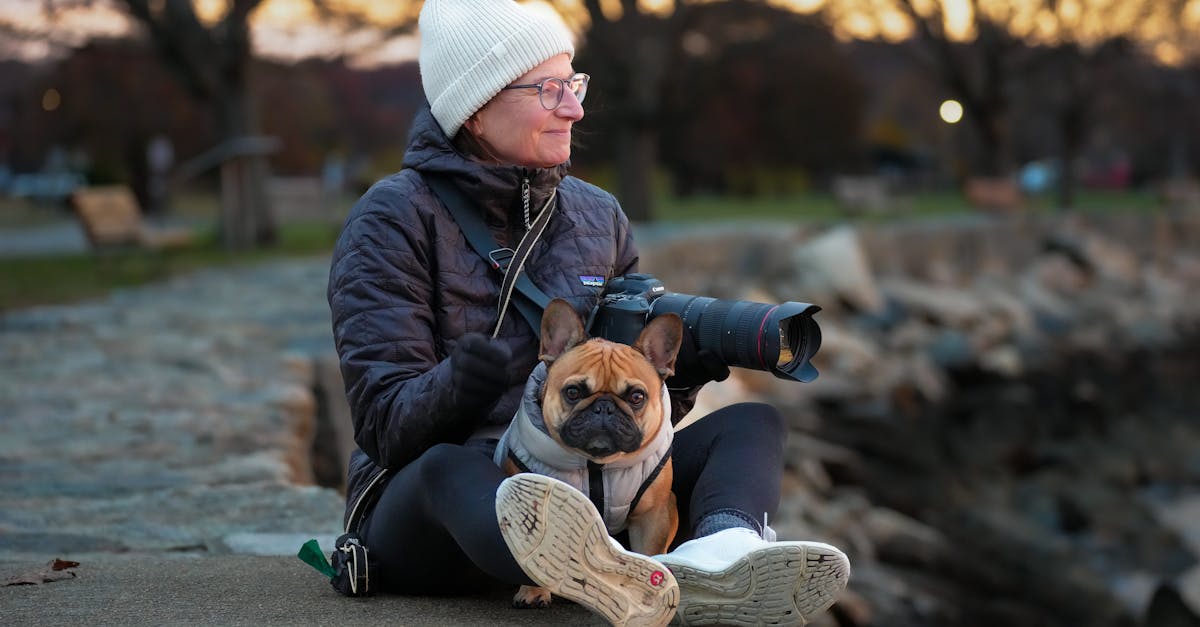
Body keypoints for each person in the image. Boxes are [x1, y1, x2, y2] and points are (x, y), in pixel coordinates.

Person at [326, 0, 850, 624]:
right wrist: (458, 386)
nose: (573, 108)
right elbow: (384, 428)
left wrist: (673, 377)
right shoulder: (392, 219)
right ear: (476, 106)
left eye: (572, 83)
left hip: (591, 488)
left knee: (752, 424)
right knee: (450, 466)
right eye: (547, 90)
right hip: (441, 510)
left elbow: (622, 408)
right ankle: (607, 570)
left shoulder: (597, 214)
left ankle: (720, 559)